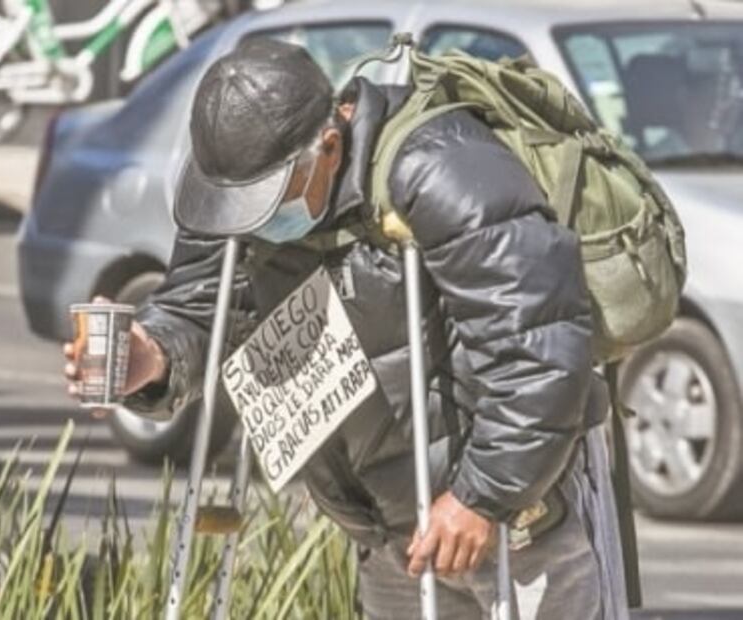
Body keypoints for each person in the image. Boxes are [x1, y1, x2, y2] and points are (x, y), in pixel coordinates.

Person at [64, 38, 625, 619]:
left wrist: (484, 498)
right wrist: (150, 357)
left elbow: (539, 347)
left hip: (519, 520)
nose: (251, 222)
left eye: (267, 200)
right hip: (390, 530)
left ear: (329, 146)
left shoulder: (441, 168)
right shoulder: (233, 190)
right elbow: (201, 307)